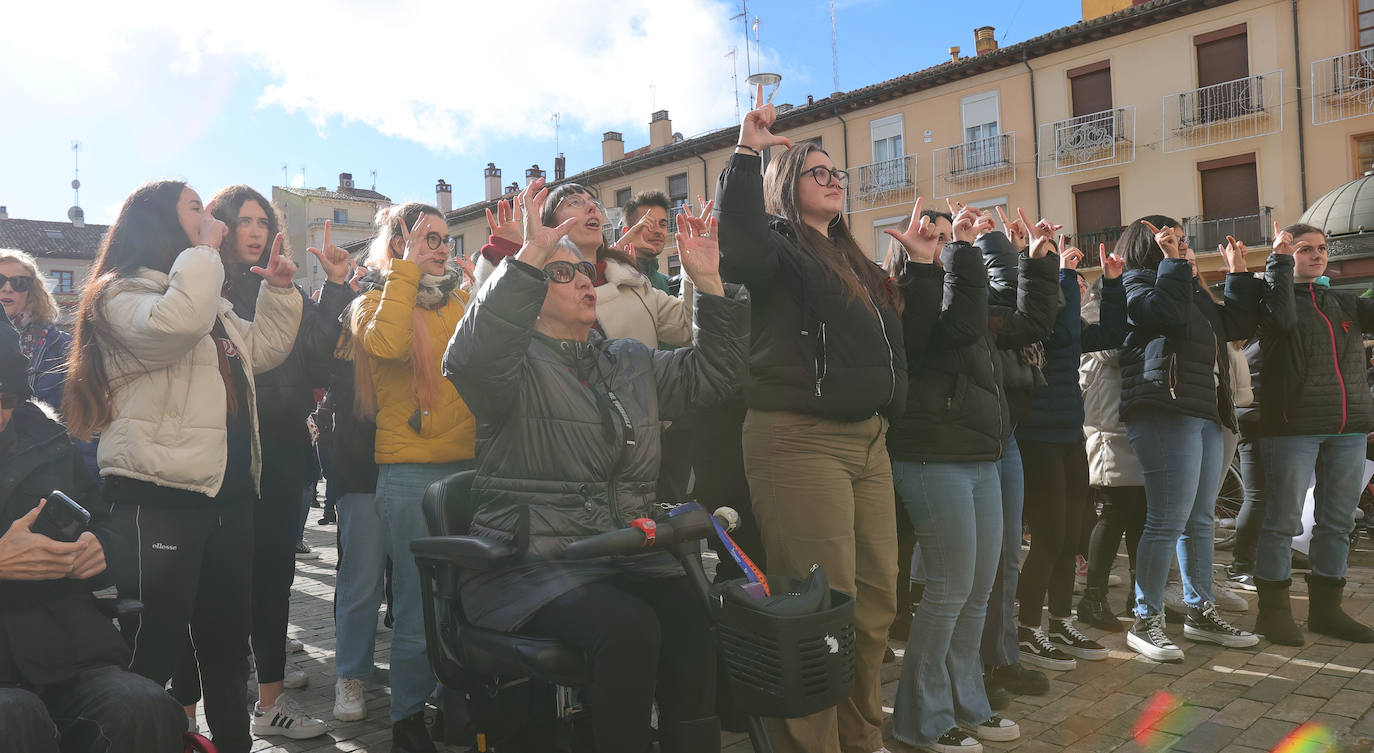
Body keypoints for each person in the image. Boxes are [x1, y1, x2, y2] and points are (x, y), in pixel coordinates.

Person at [444, 176, 746, 753]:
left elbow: (716, 378)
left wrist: (707, 284)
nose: (584, 281)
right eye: (562, 274)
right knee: (628, 630)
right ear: (530, 294)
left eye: (584, 273)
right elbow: (470, 354)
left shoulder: (628, 360)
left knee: (692, 617)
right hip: (529, 566)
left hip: (620, 555)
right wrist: (531, 253)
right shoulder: (510, 369)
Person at [61, 180, 302, 753]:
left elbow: (262, 350)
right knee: (153, 652)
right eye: (195, 209)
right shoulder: (118, 294)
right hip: (157, 499)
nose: (209, 218)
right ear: (160, 223)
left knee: (225, 647)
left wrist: (284, 293)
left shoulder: (200, 294)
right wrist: (206, 256)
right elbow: (176, 325)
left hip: (226, 496)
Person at [717, 84, 906, 753]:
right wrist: (745, 152)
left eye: (837, 173)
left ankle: (862, 738)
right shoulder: (775, 245)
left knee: (877, 604)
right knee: (820, 607)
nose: (833, 180)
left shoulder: (855, 258)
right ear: (787, 183)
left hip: (868, 443)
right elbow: (734, 248)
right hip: (799, 441)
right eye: (817, 171)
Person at [883, 198, 1040, 753]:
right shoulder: (901, 295)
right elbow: (949, 329)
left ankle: (967, 702)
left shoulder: (963, 288)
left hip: (981, 454)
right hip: (932, 455)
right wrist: (948, 259)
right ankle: (920, 719)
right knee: (949, 590)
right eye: (937, 235)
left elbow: (1018, 321)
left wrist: (1027, 258)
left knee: (978, 590)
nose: (948, 241)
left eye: (953, 236)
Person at [201, 185, 354, 738]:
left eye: (263, 220)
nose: (256, 230)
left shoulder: (283, 282)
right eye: (244, 221)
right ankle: (220, 701)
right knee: (226, 582)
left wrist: (335, 287)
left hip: (286, 449)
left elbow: (323, 358)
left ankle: (268, 702)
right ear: (220, 226)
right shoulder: (206, 286)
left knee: (274, 576)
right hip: (229, 452)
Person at [0, 310, 186, 753]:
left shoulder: (45, 437)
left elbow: (106, 521)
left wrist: (100, 547)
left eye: (5, 398)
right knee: (13, 717)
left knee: (143, 706)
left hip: (64, 650)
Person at [349, 201, 477, 753]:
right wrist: (404, 268)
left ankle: (457, 709)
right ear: (397, 243)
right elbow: (389, 344)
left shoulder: (459, 300)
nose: (441, 247)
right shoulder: (372, 301)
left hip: (468, 466)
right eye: (427, 237)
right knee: (417, 602)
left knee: (466, 600)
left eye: (445, 237)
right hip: (408, 474)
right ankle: (407, 720)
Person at [1118, 216, 1260, 661]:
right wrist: (1173, 266)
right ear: (1149, 245)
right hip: (1165, 407)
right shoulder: (1135, 281)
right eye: (1171, 241)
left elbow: (1233, 326)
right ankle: (1146, 620)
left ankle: (1200, 611)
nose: (1181, 248)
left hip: (1206, 410)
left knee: (1200, 520)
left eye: (1182, 241)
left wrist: (1236, 272)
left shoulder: (1188, 284)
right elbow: (1165, 314)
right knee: (1167, 519)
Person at [1253, 222, 1374, 645]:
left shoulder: (1343, 303)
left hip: (1348, 427)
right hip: (1293, 427)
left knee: (1337, 522)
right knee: (1282, 522)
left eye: (1322, 249)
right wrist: (1278, 263)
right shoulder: (1273, 300)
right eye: (1305, 249)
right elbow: (1281, 320)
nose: (1317, 255)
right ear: (1288, 255)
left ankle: (1326, 611)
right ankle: (1272, 614)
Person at [1014, 239, 1127, 669]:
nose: (1079, 288)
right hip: (1038, 436)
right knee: (1047, 538)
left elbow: (1113, 333)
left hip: (1068, 435)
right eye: (1071, 283)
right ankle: (1028, 629)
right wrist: (1060, 273)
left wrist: (1112, 285)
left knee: (1069, 540)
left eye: (1081, 283)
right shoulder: (1043, 316)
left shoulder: (1073, 321)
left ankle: (1060, 620)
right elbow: (1058, 331)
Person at [973, 208, 1059, 705]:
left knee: (1008, 558)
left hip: (1004, 435)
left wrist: (1030, 259)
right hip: (964, 442)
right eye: (946, 236)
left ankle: (1003, 659)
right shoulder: (943, 294)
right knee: (977, 567)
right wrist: (990, 247)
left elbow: (1035, 320)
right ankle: (974, 667)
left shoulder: (994, 296)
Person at [474, 184, 693, 348]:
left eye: (594, 203)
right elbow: (483, 341)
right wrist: (508, 254)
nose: (592, 207)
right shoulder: (536, 288)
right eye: (575, 202)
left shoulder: (633, 283)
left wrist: (695, 273)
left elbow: (688, 326)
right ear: (549, 227)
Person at [1077, 277, 1147, 631]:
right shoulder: (1090, 316)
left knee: (1139, 518)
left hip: (1129, 430)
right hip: (1108, 433)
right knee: (1114, 515)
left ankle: (1140, 598)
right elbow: (1113, 352)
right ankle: (1093, 599)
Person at [0, 250, 69, 408]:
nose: (7, 289)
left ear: (32, 291)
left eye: (19, 282)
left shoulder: (63, 347)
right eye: (0, 280)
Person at [619, 189, 676, 292]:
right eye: (648, 224)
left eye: (663, 225)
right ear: (626, 232)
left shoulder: (670, 285)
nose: (658, 231)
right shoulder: (613, 281)